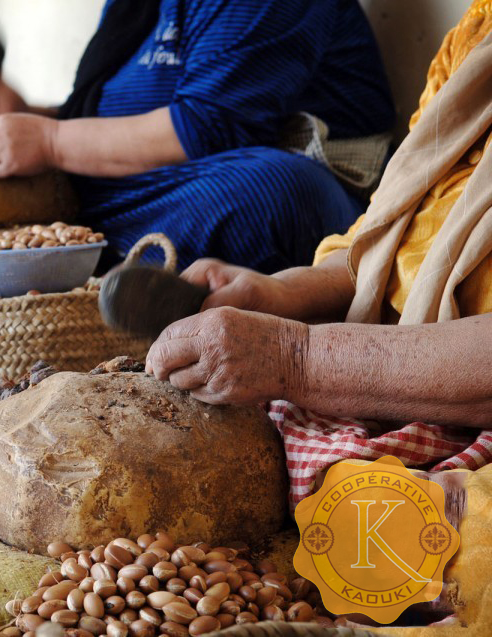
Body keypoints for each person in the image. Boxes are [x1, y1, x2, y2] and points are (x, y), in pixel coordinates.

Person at [142, 0, 492, 509]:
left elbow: (202, 124)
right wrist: (280, 291)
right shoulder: (476, 36)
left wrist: (295, 357)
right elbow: (381, 241)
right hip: (392, 368)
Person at [0, 0, 395, 273]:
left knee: (278, 190)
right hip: (139, 192)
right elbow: (113, 112)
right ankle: (94, 266)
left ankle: (94, 269)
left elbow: (207, 128)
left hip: (260, 187)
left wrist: (50, 142)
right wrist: (25, 115)